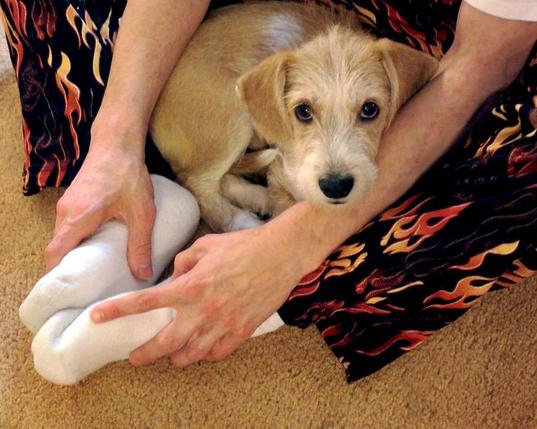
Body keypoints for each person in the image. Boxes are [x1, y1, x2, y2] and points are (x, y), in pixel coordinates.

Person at [2, 0, 536, 382]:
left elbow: (478, 66)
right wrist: (114, 137)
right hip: (273, 31)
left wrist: (286, 248)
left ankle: (247, 274)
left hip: (430, 41)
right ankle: (174, 189)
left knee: (497, 178)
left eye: (370, 112)